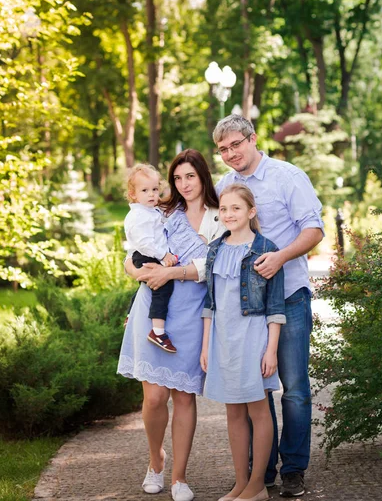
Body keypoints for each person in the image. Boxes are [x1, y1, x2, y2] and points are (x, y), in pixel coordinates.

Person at [213, 115, 324, 498]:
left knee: (293, 388)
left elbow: (314, 229)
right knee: (255, 389)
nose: (230, 154)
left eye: (235, 145)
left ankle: (293, 468)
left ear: (252, 139)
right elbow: (209, 235)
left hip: (289, 294)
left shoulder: (287, 176)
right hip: (246, 311)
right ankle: (262, 472)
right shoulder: (226, 186)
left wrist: (280, 257)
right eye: (223, 149)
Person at [117, 149, 225, 501]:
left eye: (189, 177)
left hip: (193, 309)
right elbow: (133, 248)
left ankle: (179, 477)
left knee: (183, 396)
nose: (183, 184)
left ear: (202, 177)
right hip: (154, 305)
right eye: (177, 178)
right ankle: (156, 461)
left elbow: (216, 264)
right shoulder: (163, 211)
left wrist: (171, 271)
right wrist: (135, 270)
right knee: (154, 397)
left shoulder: (219, 214)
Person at [201, 184, 286, 501]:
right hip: (223, 338)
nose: (228, 214)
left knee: (258, 409)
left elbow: (275, 307)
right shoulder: (215, 249)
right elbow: (209, 303)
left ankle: (257, 485)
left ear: (251, 212)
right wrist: (205, 345)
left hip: (253, 337)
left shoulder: (266, 249)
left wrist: (271, 350)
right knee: (233, 411)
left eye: (235, 208)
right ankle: (240, 483)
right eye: (223, 209)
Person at [124, 163, 179, 353]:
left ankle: (131, 315)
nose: (151, 194)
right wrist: (163, 255)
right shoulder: (138, 216)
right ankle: (158, 331)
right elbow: (145, 242)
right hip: (146, 254)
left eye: (155, 189)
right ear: (133, 194)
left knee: (145, 287)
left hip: (150, 253)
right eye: (145, 190)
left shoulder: (149, 211)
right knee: (162, 286)